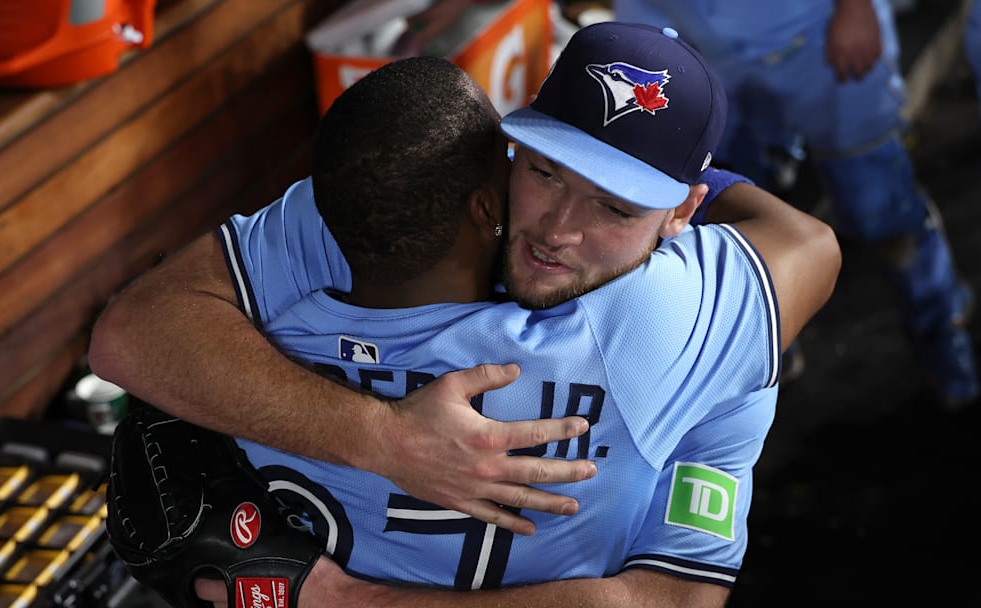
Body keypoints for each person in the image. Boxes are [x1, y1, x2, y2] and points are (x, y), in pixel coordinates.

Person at [91, 23, 839, 606]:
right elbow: (813, 244)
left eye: (612, 204)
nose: (558, 229)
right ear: (506, 157)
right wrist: (390, 442)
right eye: (546, 170)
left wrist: (343, 591)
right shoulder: (701, 325)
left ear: (682, 213)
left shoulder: (351, 237)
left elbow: (131, 333)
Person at [611, 0, 979, 409]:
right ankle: (769, 351)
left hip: (810, 28)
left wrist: (855, 9)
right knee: (728, 213)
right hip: (689, 36)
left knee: (878, 206)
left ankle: (940, 323)